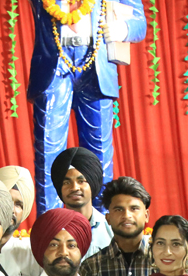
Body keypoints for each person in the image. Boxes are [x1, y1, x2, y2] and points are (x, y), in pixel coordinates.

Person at [27, 0, 146, 215]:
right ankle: (51, 223)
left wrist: (123, 29)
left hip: (95, 64)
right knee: (48, 150)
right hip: (54, 66)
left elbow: (139, 23)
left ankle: (100, 222)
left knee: (99, 153)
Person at [52, 147, 113, 257]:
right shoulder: (51, 231)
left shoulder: (111, 230)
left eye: (81, 181)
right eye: (66, 183)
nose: (74, 188)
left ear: (92, 184)